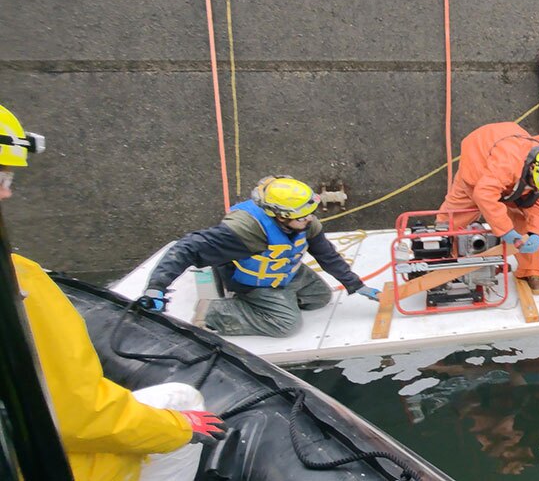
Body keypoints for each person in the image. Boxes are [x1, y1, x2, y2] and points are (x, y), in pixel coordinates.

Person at [1, 103, 228, 480]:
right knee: (185, 405)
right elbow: (76, 414)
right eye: (4, 179)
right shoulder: (18, 282)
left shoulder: (297, 229)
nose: (7, 194)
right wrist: (178, 428)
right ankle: (220, 315)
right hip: (51, 462)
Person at [139, 175, 381, 337]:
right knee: (287, 325)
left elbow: (326, 255)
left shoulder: (305, 221)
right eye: (302, 216)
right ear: (280, 215)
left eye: (311, 212)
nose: (309, 219)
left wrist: (355, 285)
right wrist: (156, 287)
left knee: (320, 297)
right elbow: (186, 248)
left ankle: (281, 298)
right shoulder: (244, 230)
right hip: (253, 281)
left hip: (285, 271)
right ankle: (212, 311)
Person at [438, 122, 539, 295]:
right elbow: (483, 193)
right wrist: (506, 231)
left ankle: (531, 271)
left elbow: (538, 207)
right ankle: (441, 262)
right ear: (532, 168)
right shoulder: (508, 162)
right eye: (535, 186)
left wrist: (535, 233)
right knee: (452, 218)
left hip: (512, 173)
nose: (538, 191)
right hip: (478, 161)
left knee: (524, 218)